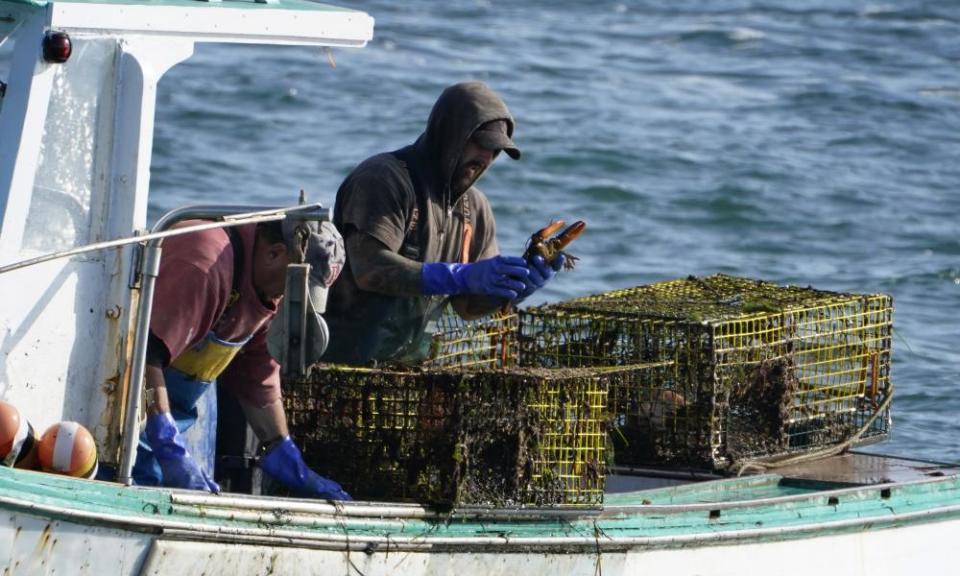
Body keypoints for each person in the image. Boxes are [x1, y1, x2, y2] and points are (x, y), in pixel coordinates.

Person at [323, 81, 564, 365]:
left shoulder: (476, 209)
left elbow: (467, 306)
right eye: (481, 144)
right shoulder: (384, 179)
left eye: (495, 151)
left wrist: (514, 288)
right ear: (449, 134)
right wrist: (458, 275)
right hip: (337, 362)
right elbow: (369, 268)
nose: (485, 158)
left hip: (409, 370)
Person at [132, 217, 351, 500]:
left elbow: (257, 378)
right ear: (274, 253)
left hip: (171, 429)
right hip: (126, 413)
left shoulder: (266, 291)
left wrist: (282, 451)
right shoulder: (203, 264)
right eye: (292, 287)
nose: (289, 298)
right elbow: (142, 355)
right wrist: (164, 440)